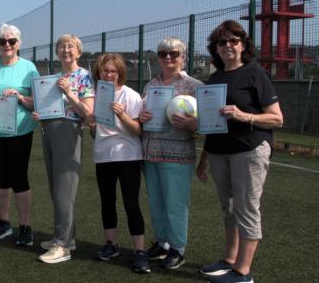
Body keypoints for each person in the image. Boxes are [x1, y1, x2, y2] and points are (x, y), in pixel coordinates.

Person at [196, 20, 283, 283]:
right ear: (216, 49)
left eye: (233, 41)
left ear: (243, 44)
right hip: (220, 151)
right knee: (229, 207)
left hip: (249, 148)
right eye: (222, 42)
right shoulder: (215, 78)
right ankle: (230, 260)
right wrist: (204, 160)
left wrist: (243, 115)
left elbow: (277, 118)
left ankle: (243, 273)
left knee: (246, 208)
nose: (227, 46)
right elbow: (212, 123)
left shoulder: (255, 73)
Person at [138, 37, 203, 269]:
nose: (168, 57)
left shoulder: (194, 86)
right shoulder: (150, 84)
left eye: (173, 53)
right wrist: (141, 118)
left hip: (177, 154)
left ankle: (178, 248)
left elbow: (206, 124)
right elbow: (141, 115)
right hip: (150, 152)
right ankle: (163, 243)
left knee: (175, 204)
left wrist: (191, 124)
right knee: (156, 203)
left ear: (183, 57)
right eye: (163, 53)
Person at [35, 34, 93, 264]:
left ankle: (62, 245)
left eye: (71, 47)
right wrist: (40, 113)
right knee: (56, 188)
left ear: (78, 52)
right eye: (61, 46)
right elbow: (47, 106)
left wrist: (69, 93)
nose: (65, 50)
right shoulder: (55, 77)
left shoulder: (84, 76)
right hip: (50, 129)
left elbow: (87, 113)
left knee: (64, 189)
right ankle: (68, 238)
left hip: (69, 130)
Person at [88, 53, 148, 273]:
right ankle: (110, 244)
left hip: (128, 156)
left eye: (113, 70)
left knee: (131, 203)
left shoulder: (130, 96)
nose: (109, 74)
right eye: (105, 70)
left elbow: (138, 130)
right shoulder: (95, 95)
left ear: (120, 72)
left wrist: (122, 116)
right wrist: (92, 126)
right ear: (99, 73)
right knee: (107, 201)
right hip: (103, 155)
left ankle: (140, 251)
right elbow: (96, 133)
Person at [0, 24, 39, 246]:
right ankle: (4, 223)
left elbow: (40, 102)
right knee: (0, 179)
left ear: (19, 44)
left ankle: (25, 227)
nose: (7, 45)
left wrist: (21, 98)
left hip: (20, 132)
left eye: (11, 41)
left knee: (19, 178)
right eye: (3, 41)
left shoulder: (29, 68)